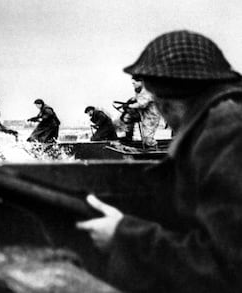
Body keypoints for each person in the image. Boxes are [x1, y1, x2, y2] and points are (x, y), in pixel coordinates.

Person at [76, 30, 242, 293]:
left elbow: (228, 268)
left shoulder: (225, 132)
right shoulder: (225, 119)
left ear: (162, 98)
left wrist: (124, 235)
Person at [126, 76, 161, 148]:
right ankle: (128, 138)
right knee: (127, 117)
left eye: (136, 81)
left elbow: (142, 104)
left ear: (142, 82)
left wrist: (130, 106)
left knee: (148, 138)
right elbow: (137, 98)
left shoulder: (147, 90)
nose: (133, 83)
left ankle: (154, 150)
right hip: (144, 115)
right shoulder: (138, 90)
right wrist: (131, 101)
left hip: (151, 117)